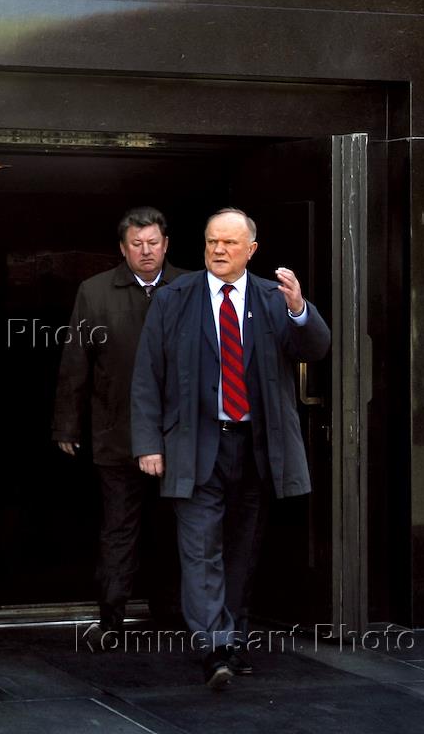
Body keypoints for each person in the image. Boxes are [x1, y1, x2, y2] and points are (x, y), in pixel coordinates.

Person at [131, 208, 330, 689]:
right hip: (194, 446)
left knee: (242, 551)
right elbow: (147, 376)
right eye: (211, 242)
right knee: (201, 550)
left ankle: (234, 642)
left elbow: (315, 349)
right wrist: (148, 444)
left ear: (251, 250)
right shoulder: (175, 297)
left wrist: (300, 309)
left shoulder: (273, 298)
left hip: (255, 447)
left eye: (229, 243)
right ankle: (215, 647)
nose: (218, 250)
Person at [53, 206, 186, 636]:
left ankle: (173, 615)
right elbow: (76, 362)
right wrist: (67, 424)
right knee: (118, 530)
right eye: (137, 244)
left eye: (153, 243)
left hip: (178, 435)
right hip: (117, 432)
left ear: (166, 245)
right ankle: (111, 618)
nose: (146, 252)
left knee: (175, 528)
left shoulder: (191, 287)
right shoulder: (95, 292)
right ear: (122, 249)